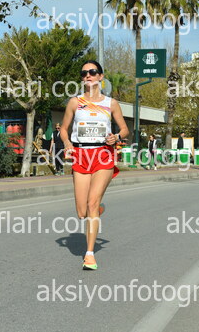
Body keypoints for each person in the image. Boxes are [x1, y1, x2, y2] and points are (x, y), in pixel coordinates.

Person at [60, 60, 129, 271]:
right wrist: (68, 143)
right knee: (82, 212)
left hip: (103, 154)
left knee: (91, 203)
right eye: (84, 73)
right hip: (81, 155)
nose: (88, 75)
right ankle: (97, 210)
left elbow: (125, 129)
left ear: (101, 76)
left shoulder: (111, 103)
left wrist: (116, 137)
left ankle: (89, 255)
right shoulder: (75, 102)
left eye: (92, 72)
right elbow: (63, 129)